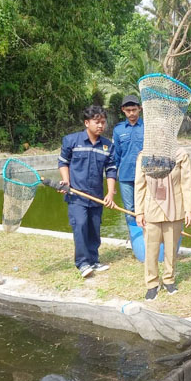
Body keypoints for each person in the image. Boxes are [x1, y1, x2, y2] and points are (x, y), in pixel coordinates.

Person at [58, 105, 117, 278]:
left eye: (103, 122)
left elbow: (111, 170)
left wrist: (110, 193)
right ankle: (82, 263)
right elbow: (63, 162)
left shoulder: (107, 146)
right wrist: (66, 181)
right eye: (97, 122)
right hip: (76, 195)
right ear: (86, 123)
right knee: (81, 225)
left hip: (96, 196)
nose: (101, 126)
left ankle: (94, 260)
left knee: (94, 228)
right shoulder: (71, 141)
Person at [134, 147, 191, 301]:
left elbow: (186, 183)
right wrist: (139, 212)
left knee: (171, 247)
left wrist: (189, 209)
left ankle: (169, 279)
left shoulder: (181, 154)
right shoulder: (144, 155)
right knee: (151, 248)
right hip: (151, 207)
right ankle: (152, 283)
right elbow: (140, 185)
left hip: (175, 206)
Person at [113, 95, 144, 225]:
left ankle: (148, 240)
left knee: (146, 209)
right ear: (123, 110)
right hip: (126, 176)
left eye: (134, 109)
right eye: (128, 110)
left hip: (146, 176)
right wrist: (112, 182)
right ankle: (135, 240)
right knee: (130, 210)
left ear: (140, 109)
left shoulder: (147, 127)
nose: (131, 113)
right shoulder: (118, 130)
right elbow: (116, 157)